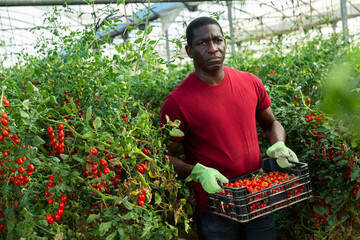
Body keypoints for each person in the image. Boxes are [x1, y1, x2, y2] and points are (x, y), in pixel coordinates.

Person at [160, 16, 298, 240]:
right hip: (215, 206)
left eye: (218, 40)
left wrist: (278, 143)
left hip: (257, 196)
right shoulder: (177, 102)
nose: (213, 48)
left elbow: (270, 123)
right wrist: (196, 171)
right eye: (202, 43)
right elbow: (166, 157)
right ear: (189, 50)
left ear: (225, 43)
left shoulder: (250, 82)